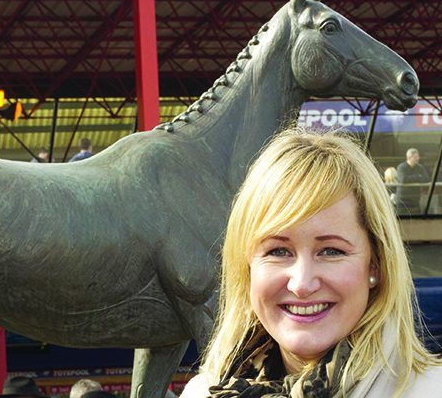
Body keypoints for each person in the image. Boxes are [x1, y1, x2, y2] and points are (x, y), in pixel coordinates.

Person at [180, 128, 442, 398]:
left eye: (331, 251)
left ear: (375, 264)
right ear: (246, 267)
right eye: (279, 251)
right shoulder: (201, 392)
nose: (302, 284)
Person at [395, 147, 429, 214]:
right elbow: (403, 180)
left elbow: (426, 179)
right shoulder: (401, 167)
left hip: (415, 200)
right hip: (403, 201)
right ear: (409, 157)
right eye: (416, 157)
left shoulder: (420, 167)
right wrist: (417, 176)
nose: (418, 158)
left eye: (418, 156)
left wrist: (412, 178)